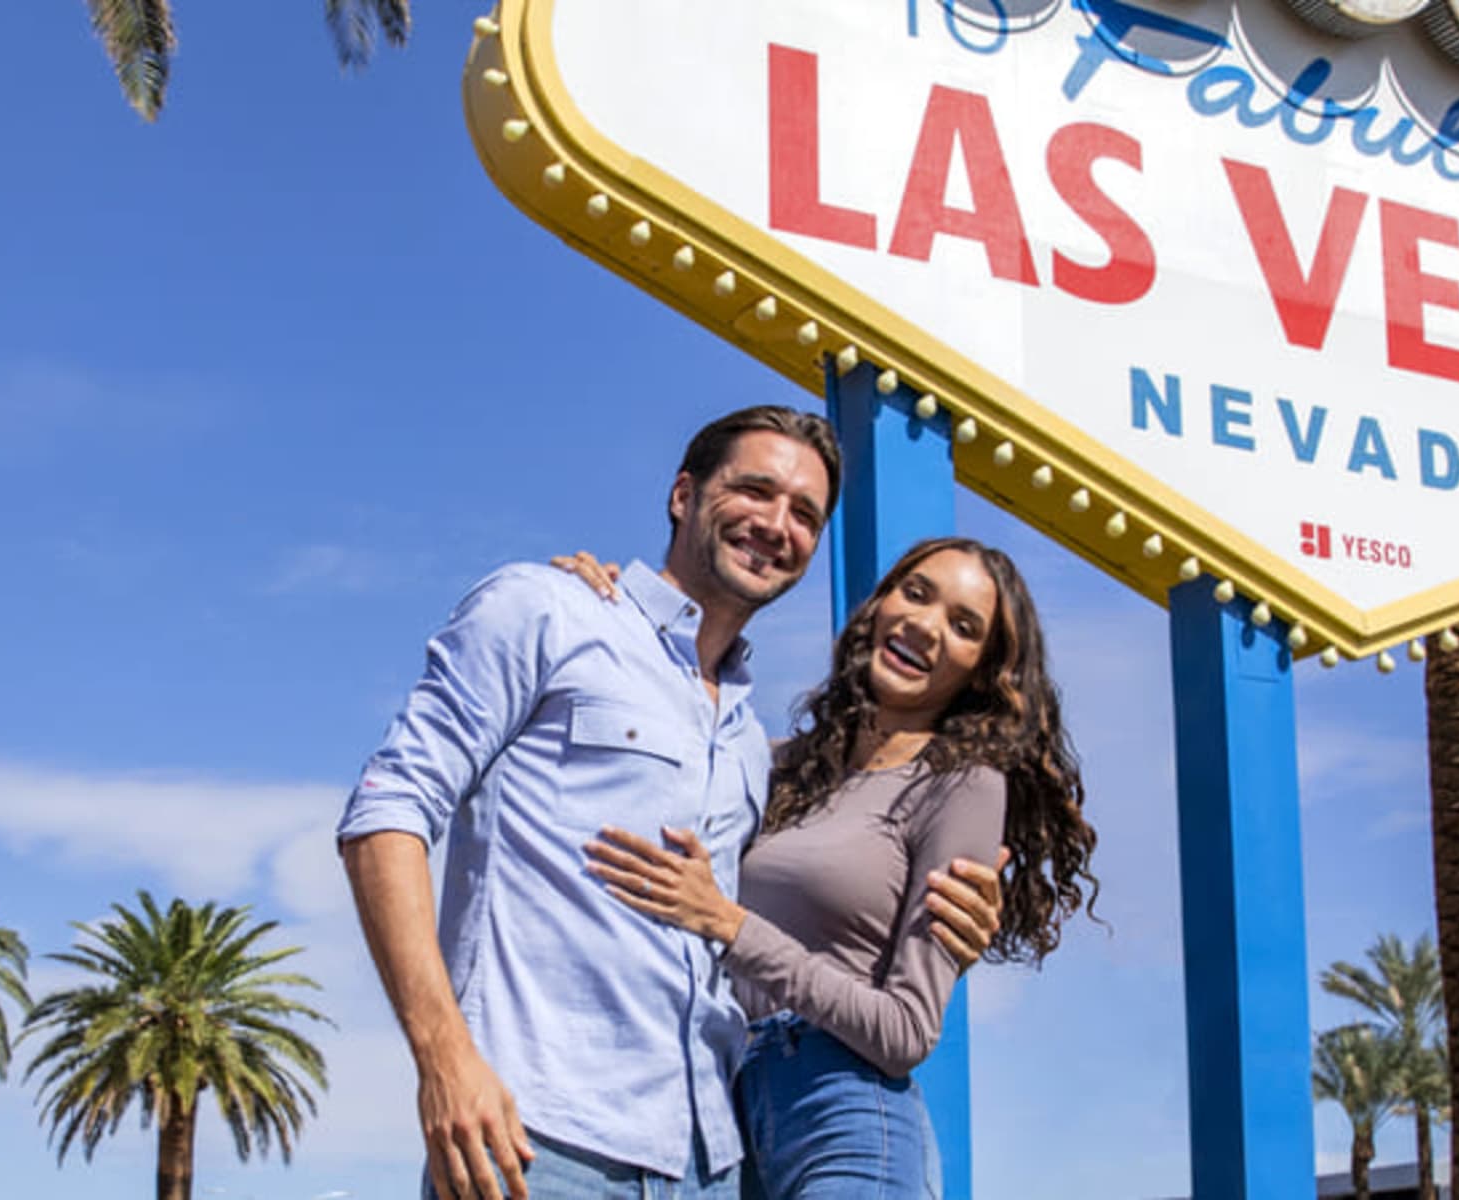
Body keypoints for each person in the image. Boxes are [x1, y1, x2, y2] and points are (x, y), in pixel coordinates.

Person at [336, 406, 1011, 1200]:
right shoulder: (549, 611)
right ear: (683, 494)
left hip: (707, 1165)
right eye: (754, 490)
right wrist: (443, 1057)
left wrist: (964, 916)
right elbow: (386, 812)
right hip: (536, 1142)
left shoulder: (751, 744)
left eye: (804, 513)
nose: (775, 524)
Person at [572, 536, 1098, 1199]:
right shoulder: (775, 765)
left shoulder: (960, 785)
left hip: (845, 1116)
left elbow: (906, 1031)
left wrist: (729, 924)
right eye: (915, 593)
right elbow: (653, 748)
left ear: (980, 672)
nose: (925, 626)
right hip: (721, 1115)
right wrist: (607, 609)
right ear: (878, 607)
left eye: (963, 627)